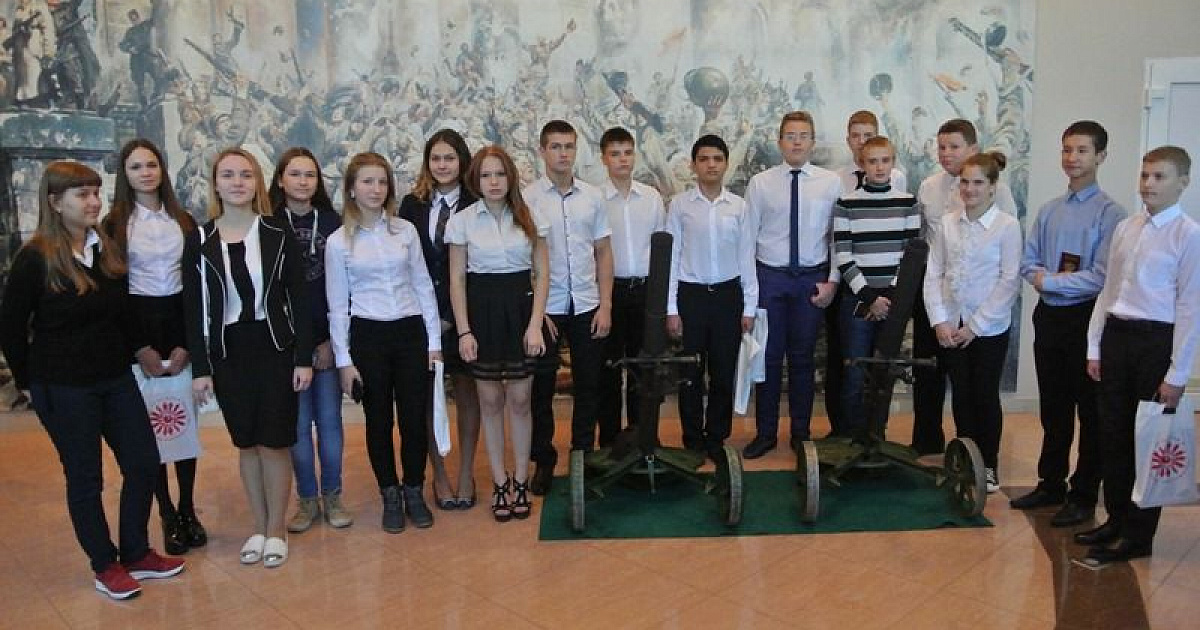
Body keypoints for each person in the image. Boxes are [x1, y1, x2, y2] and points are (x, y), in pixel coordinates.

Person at [0, 161, 184, 600]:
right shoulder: (35, 258)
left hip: (115, 378)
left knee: (143, 462)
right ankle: (105, 564)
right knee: (86, 478)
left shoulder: (106, 249)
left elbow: (124, 313)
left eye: (96, 192)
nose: (94, 202)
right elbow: (10, 327)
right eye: (82, 194)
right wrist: (27, 382)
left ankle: (136, 552)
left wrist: (143, 350)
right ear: (54, 202)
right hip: (63, 386)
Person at [183, 148, 313, 568]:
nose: (237, 182)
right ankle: (258, 527)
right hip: (229, 351)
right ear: (216, 184)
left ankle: (276, 530)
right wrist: (201, 368)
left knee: (274, 442)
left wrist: (303, 358)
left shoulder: (277, 232)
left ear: (257, 182)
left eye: (245, 174)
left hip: (274, 347)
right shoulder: (199, 239)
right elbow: (193, 307)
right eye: (228, 175)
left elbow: (300, 298)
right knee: (247, 443)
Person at [1077, 146, 1200, 567]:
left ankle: (1139, 533)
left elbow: (1190, 308)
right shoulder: (1127, 228)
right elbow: (1109, 291)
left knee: (1146, 439)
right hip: (1117, 335)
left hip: (1155, 341)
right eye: (1145, 175)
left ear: (1183, 182)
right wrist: (1095, 345)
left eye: (1160, 176)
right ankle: (1115, 518)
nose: (1148, 183)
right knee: (1112, 434)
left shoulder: (1188, 234)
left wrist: (1177, 373)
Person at [1010, 121, 1125, 527]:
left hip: (1086, 319)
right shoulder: (1049, 210)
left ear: (1100, 156)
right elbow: (1028, 262)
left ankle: (1083, 494)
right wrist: (1044, 280)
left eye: (1081, 150)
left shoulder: (1111, 214)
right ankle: (1051, 483)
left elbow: (1101, 276)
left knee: (1090, 413)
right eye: (1066, 150)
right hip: (1050, 317)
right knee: (1054, 407)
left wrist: (1052, 281)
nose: (1072, 158)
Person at [101, 139, 206, 557]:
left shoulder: (183, 220)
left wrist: (187, 343)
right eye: (136, 167)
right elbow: (114, 293)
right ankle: (166, 512)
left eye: (152, 165)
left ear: (162, 170)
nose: (146, 173)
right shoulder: (114, 225)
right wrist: (138, 346)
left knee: (183, 422)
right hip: (137, 326)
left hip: (178, 323)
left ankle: (188, 507)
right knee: (153, 428)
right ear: (124, 175)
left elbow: (195, 286)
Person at [326, 152, 441, 533]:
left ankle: (413, 490)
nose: (375, 189)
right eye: (367, 182)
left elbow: (423, 285)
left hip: (410, 332)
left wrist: (433, 342)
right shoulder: (338, 241)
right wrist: (344, 360)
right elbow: (337, 305)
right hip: (368, 335)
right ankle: (389, 494)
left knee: (413, 419)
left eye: (381, 182)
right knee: (378, 421)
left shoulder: (405, 231)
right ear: (351, 189)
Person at [445, 145, 550, 522]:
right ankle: (500, 482)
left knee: (520, 400)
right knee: (489, 401)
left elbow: (542, 274)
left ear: (510, 178)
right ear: (476, 180)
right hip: (482, 314)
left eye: (500, 174)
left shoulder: (530, 216)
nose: (493, 182)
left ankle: (521, 479)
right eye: (486, 175)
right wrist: (464, 331)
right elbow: (457, 280)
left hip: (521, 311)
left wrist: (535, 324)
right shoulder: (462, 221)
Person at [911, 118, 1018, 455]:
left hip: (985, 321)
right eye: (941, 146)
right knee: (954, 390)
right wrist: (940, 319)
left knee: (983, 394)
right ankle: (958, 457)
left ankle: (987, 465)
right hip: (948, 311)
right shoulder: (939, 205)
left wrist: (976, 324)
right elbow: (933, 267)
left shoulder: (1005, 220)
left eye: (954, 146)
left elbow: (1008, 276)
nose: (970, 189)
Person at [742, 111, 840, 458]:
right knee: (767, 359)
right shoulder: (761, 183)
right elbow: (747, 241)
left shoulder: (830, 183)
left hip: (811, 280)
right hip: (770, 277)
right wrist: (750, 294)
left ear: (813, 142)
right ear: (779, 141)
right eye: (790, 136)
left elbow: (837, 238)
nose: (797, 142)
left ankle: (801, 433)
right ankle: (765, 433)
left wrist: (832, 281)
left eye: (803, 136)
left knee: (802, 359)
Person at [523, 120, 613, 495]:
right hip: (547, 308)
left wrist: (606, 305)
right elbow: (523, 259)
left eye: (569, 146)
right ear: (542, 151)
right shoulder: (527, 198)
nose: (563, 154)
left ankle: (583, 457)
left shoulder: (593, 197)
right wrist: (535, 312)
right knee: (541, 389)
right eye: (556, 147)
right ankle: (544, 461)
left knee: (589, 385)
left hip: (588, 304)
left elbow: (604, 252)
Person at [267, 147, 353, 533]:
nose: (303, 182)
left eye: (310, 175)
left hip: (328, 342)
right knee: (298, 428)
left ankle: (332, 495)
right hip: (287, 347)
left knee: (330, 423)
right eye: (295, 174)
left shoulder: (335, 224)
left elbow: (348, 287)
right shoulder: (268, 225)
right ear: (280, 180)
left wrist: (333, 342)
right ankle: (306, 499)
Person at [398, 129, 482, 510]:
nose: (443, 165)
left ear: (462, 161)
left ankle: (465, 472)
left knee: (467, 393)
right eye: (436, 158)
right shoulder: (412, 205)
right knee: (428, 397)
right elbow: (404, 262)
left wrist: (453, 316)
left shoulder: (477, 202)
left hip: (465, 315)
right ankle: (440, 475)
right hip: (421, 317)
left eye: (450, 158)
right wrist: (431, 315)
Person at [666, 134, 756, 459]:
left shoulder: (739, 207)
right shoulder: (680, 206)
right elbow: (672, 258)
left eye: (717, 159)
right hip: (691, 297)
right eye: (704, 159)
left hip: (728, 297)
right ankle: (692, 440)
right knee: (690, 373)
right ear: (693, 165)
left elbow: (747, 257)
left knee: (722, 372)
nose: (711, 165)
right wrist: (671, 308)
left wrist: (749, 306)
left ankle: (716, 438)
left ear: (726, 164)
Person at [832, 136, 920, 434]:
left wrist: (888, 298)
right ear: (862, 164)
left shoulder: (908, 203)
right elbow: (843, 256)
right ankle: (851, 438)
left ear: (893, 162)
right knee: (855, 371)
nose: (880, 167)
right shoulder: (846, 204)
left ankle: (876, 435)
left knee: (884, 372)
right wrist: (870, 298)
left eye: (885, 160)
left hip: (892, 302)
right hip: (858, 300)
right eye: (873, 161)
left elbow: (910, 257)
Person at [596, 126, 666, 444]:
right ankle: (610, 440)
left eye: (627, 153)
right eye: (615, 154)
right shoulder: (595, 199)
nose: (622, 159)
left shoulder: (651, 198)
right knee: (609, 368)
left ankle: (643, 436)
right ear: (604, 158)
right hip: (609, 292)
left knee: (644, 367)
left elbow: (661, 248)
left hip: (646, 292)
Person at [836, 110, 908, 193]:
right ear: (848, 141)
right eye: (855, 136)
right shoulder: (837, 178)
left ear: (877, 138)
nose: (862, 141)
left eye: (868, 135)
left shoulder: (896, 177)